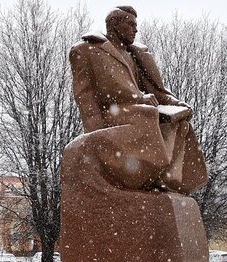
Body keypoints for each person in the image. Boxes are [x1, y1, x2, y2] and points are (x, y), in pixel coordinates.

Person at [68, 5, 207, 195]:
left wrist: (177, 105)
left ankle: (164, 180)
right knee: (147, 114)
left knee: (181, 125)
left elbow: (157, 92)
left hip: (140, 113)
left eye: (136, 25)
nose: (136, 29)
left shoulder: (136, 54)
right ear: (115, 25)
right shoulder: (87, 49)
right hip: (113, 115)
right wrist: (95, 132)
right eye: (130, 24)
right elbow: (85, 95)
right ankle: (147, 172)